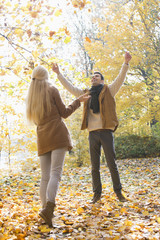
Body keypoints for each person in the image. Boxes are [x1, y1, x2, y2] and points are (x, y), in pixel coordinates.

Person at [52, 52, 132, 203]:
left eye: (96, 76)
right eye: (92, 76)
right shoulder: (86, 94)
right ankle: (97, 194)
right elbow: (71, 88)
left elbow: (120, 79)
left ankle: (119, 192)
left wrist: (125, 63)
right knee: (94, 167)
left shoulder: (109, 90)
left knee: (111, 164)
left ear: (102, 80)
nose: (93, 78)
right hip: (93, 134)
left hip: (106, 132)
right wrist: (59, 74)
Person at [26, 65, 90, 227]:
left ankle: (44, 210)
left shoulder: (31, 96)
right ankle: (49, 208)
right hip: (57, 134)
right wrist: (78, 101)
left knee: (45, 176)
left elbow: (35, 120)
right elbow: (65, 113)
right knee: (55, 173)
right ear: (46, 77)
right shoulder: (52, 89)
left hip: (42, 137)